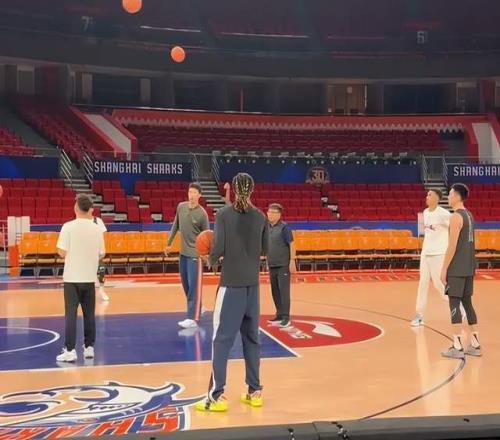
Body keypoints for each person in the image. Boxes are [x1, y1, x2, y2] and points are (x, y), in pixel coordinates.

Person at [196, 173, 269, 412]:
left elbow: (217, 248)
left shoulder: (224, 215)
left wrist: (209, 258)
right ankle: (255, 391)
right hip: (252, 287)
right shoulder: (260, 217)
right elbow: (265, 250)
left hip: (231, 286)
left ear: (234, 190)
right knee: (252, 339)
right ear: (252, 189)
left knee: (221, 340)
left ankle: (215, 396)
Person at [56, 194, 105, 362]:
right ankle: (89, 347)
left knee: (70, 314)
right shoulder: (97, 229)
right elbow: (101, 253)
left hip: (71, 278)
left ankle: (70, 350)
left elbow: (62, 252)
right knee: (89, 314)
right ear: (89, 209)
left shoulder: (68, 227)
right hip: (89, 277)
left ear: (76, 208)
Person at [440, 183, 481, 359]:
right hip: (469, 267)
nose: (448, 197)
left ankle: (457, 346)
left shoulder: (456, 217)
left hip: (456, 268)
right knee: (467, 303)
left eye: (450, 194)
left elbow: (452, 245)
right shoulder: (469, 215)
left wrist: (444, 268)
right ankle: (475, 344)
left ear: (457, 196)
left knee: (454, 303)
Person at [166, 183, 209, 329]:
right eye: (190, 192)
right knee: (185, 285)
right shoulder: (181, 207)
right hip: (183, 253)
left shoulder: (202, 214)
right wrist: (169, 243)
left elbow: (206, 236)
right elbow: (175, 226)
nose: (191, 195)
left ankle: (192, 318)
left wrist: (205, 254)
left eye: (194, 193)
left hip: (195, 255)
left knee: (193, 287)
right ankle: (199, 306)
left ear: (199, 195)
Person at [411, 189, 451, 327]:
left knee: (440, 285)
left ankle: (458, 306)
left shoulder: (444, 214)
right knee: (423, 283)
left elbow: (455, 228)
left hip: (439, 254)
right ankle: (419, 315)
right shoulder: (425, 212)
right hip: (426, 253)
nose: (427, 197)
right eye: (427, 194)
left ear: (437, 198)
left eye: (430, 195)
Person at [266, 203, 296, 328]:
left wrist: (292, 260)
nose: (270, 214)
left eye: (273, 212)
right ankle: (279, 315)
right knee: (275, 291)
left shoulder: (284, 228)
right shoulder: (267, 227)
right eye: (269, 212)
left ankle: (286, 317)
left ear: (279, 215)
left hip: (283, 264)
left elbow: (292, 244)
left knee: (284, 292)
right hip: (272, 264)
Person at [93, 214, 109, 301]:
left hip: (97, 251)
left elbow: (103, 236)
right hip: (85, 252)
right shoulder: (80, 221)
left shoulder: (98, 220)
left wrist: (102, 250)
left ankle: (101, 290)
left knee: (101, 268)